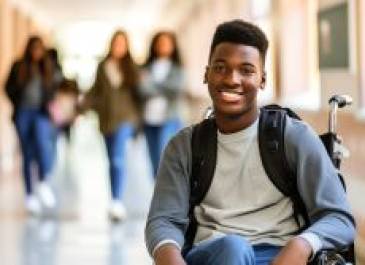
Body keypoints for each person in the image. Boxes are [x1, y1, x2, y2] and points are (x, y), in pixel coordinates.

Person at [145, 20, 355, 265]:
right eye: (221, 67)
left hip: (280, 255)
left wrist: (302, 243)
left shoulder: (293, 137)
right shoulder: (184, 147)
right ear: (206, 74)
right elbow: (163, 220)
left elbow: (339, 218)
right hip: (213, 255)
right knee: (233, 249)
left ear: (262, 79)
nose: (233, 79)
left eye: (246, 70)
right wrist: (170, 257)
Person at [81, 30, 141, 222]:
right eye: (116, 43)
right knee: (111, 160)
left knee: (117, 158)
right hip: (107, 120)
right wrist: (82, 104)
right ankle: (114, 198)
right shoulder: (102, 66)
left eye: (122, 44)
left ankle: (117, 201)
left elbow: (140, 94)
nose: (119, 47)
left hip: (126, 118)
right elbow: (95, 91)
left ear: (126, 46)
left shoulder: (132, 67)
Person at [5, 36, 58, 215]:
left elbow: (53, 89)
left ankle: (43, 181)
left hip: (41, 114)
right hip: (23, 113)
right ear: (29, 49)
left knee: (43, 147)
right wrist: (17, 100)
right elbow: (7, 87)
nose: (36, 52)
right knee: (27, 153)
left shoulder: (46, 68)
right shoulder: (19, 66)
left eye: (39, 49)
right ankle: (29, 196)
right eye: (33, 48)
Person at [139, 31, 185, 177]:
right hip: (148, 119)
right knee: (153, 160)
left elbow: (175, 89)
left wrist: (151, 83)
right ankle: (159, 192)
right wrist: (162, 87)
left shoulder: (177, 68)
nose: (163, 46)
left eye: (166, 43)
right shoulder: (146, 68)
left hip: (169, 119)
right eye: (159, 43)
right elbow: (141, 90)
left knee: (165, 158)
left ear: (173, 46)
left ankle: (168, 193)